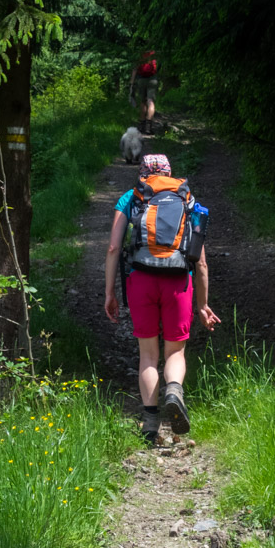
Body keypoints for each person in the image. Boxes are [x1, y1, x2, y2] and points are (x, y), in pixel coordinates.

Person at [104, 155, 220, 443]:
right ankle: (174, 391)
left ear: (142, 174)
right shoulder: (187, 199)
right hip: (178, 281)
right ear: (169, 173)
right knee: (175, 352)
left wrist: (109, 292)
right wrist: (203, 304)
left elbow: (113, 248)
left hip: (141, 280)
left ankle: (150, 423)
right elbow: (201, 261)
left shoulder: (131, 198)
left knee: (148, 354)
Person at [129, 48, 159, 134]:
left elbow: (135, 69)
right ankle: (148, 127)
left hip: (141, 80)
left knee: (143, 101)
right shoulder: (154, 54)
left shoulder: (140, 54)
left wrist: (132, 83)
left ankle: (141, 125)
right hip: (153, 79)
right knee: (151, 101)